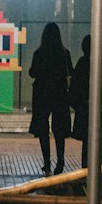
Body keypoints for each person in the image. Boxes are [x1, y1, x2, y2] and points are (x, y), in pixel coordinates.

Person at [28, 22, 73, 175]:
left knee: (43, 129)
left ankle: (46, 163)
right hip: (59, 93)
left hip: (42, 94)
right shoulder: (64, 53)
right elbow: (70, 72)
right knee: (59, 130)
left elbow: (32, 73)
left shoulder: (39, 53)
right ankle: (60, 161)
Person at [69, 35, 102, 172]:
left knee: (87, 145)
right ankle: (101, 174)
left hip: (85, 111)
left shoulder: (82, 64)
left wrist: (78, 105)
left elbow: (74, 88)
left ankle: (86, 173)